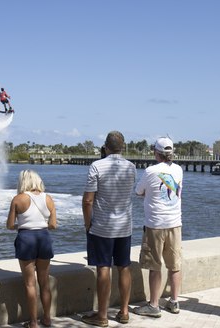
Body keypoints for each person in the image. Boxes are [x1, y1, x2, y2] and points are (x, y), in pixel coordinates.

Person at [81, 131, 136, 327]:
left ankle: (102, 316)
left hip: (103, 227)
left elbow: (88, 201)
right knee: (124, 267)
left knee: (103, 267)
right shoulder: (131, 167)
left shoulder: (96, 166)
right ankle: (124, 311)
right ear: (122, 147)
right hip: (125, 226)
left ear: (105, 146)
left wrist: (88, 224)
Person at [133, 137, 183, 318]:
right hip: (175, 223)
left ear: (157, 152)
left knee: (155, 266)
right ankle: (174, 301)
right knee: (174, 265)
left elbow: (138, 191)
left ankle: (154, 305)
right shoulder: (178, 169)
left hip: (155, 224)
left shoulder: (150, 171)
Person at [7, 170, 57, 328]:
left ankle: (33, 322)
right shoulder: (48, 198)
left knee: (30, 284)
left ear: (23, 182)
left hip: (26, 239)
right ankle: (47, 318)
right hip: (44, 238)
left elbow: (9, 225)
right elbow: (53, 225)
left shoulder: (18, 199)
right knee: (44, 283)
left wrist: (21, 225)